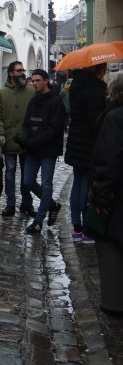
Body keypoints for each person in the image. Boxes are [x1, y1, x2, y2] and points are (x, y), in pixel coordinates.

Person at [88, 72, 123, 315]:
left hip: (117, 195)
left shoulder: (115, 117)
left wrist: (100, 194)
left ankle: (114, 302)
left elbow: (109, 158)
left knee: (111, 244)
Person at [15, 69, 66, 234]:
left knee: (46, 184)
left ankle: (39, 220)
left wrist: (33, 141)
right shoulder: (33, 100)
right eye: (33, 80)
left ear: (46, 81)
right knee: (28, 181)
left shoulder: (56, 102)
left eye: (37, 80)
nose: (34, 83)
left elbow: (54, 129)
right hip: (32, 149)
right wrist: (24, 138)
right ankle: (52, 205)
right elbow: (27, 124)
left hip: (48, 150)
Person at [64, 64, 108, 244]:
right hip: (88, 143)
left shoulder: (76, 85)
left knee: (77, 182)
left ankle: (77, 228)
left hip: (76, 140)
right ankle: (87, 230)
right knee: (86, 185)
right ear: (100, 70)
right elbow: (95, 121)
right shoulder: (94, 89)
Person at [0, 61, 35, 218]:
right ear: (10, 73)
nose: (22, 73)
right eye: (19, 70)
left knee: (27, 174)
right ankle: (10, 204)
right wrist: (0, 134)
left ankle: (27, 203)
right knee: (10, 171)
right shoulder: (2, 93)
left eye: (23, 70)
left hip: (27, 140)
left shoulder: (31, 92)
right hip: (9, 140)